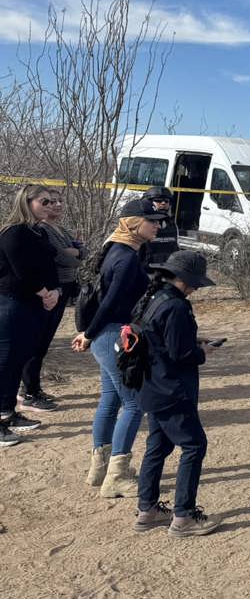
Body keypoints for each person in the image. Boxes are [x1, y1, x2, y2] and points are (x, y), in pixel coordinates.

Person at [72, 197, 169, 495]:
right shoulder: (125, 258)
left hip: (106, 336)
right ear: (132, 223)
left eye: (159, 221)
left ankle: (98, 469)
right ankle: (117, 476)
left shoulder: (115, 250)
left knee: (110, 400)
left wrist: (91, 334)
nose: (158, 225)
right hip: (115, 335)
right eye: (152, 221)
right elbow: (111, 301)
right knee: (134, 403)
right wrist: (88, 334)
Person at [132, 250, 221, 537]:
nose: (196, 289)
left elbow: (160, 340)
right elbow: (180, 354)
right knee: (194, 446)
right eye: (195, 283)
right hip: (172, 389)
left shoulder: (154, 298)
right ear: (184, 280)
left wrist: (192, 341)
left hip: (152, 387)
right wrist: (201, 351)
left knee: (158, 446)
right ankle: (183, 516)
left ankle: (147, 510)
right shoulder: (177, 307)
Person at [0, 185, 61, 447]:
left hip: (33, 303)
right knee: (5, 361)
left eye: (51, 202)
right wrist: (46, 293)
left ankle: (8, 412)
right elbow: (22, 272)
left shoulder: (38, 231)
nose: (49, 206)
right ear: (26, 202)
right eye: (43, 201)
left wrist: (56, 291)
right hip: (12, 303)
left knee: (19, 359)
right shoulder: (13, 233)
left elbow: (49, 265)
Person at [19, 190, 81, 413]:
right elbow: (63, 258)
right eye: (49, 202)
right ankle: (28, 392)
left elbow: (79, 251)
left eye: (58, 201)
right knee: (37, 343)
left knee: (43, 343)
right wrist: (73, 254)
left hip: (62, 289)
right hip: (48, 291)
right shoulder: (42, 229)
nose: (55, 205)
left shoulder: (60, 229)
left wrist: (75, 252)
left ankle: (33, 387)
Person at [141, 186, 179, 270]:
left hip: (167, 272)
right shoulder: (141, 223)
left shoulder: (171, 224)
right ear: (148, 202)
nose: (163, 203)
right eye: (158, 200)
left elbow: (175, 248)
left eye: (166, 201)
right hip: (146, 272)